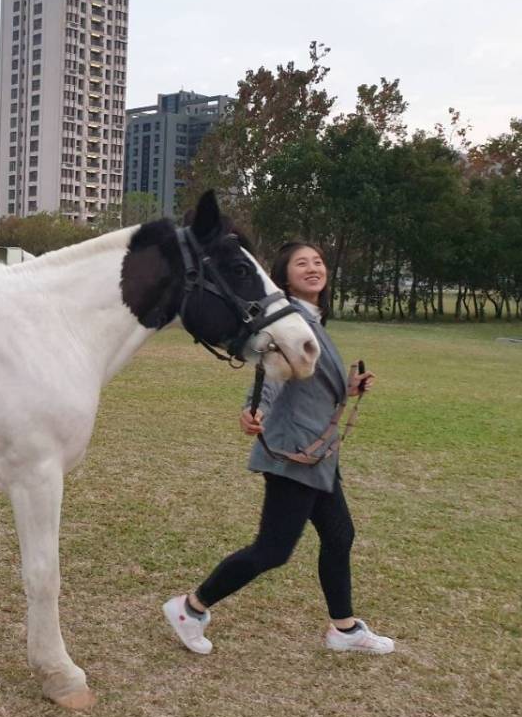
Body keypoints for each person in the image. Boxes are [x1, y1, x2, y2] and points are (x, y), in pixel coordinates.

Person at [162, 241, 395, 656]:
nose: (313, 268)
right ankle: (190, 608)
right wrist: (253, 410)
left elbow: (306, 379)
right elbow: (271, 376)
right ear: (284, 277)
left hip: (318, 455)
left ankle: (344, 628)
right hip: (295, 453)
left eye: (318, 261)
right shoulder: (287, 321)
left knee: (340, 535)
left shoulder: (311, 319)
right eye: (301, 263)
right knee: (272, 550)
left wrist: (348, 386)